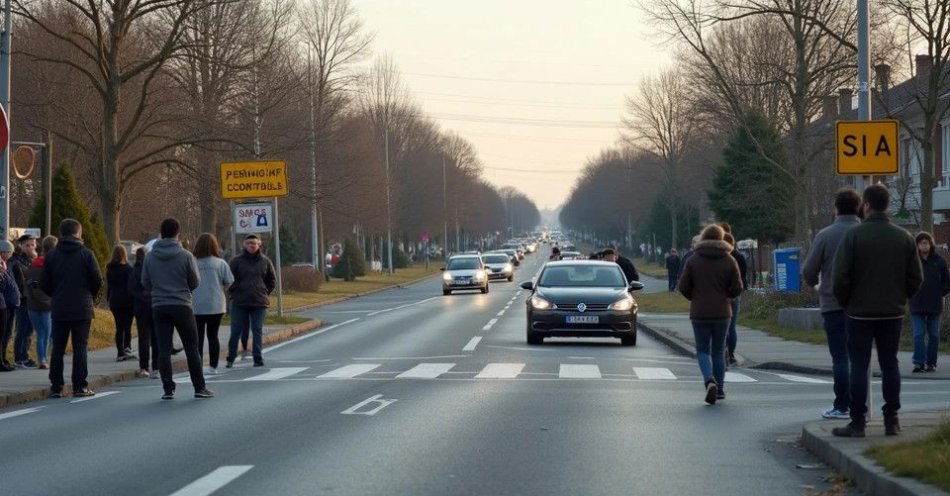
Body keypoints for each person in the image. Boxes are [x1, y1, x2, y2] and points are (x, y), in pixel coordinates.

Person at [831, 184, 922, 437]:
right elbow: (916, 277)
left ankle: (857, 421)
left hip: (858, 312)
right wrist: (901, 298)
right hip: (892, 312)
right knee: (889, 364)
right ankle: (891, 419)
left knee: (859, 365)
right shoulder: (903, 237)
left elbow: (840, 277)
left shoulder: (854, 236)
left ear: (866, 206)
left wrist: (846, 302)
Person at [801, 188, 863, 420]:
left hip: (833, 303)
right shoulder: (864, 232)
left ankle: (842, 405)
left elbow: (809, 270)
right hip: (864, 306)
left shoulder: (825, 235)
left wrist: (815, 285)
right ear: (859, 207)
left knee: (840, 358)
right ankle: (861, 405)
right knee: (860, 358)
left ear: (836, 208)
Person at [143, 218, 213, 400]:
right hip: (182, 304)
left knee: (163, 349)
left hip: (159, 306)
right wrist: (184, 290)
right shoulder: (186, 255)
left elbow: (145, 281)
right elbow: (195, 281)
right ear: (177, 234)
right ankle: (199, 387)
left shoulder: (150, 256)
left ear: (161, 232)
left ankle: (168, 388)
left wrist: (158, 291)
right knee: (191, 348)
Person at [677, 224, 743, 405]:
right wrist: (727, 296)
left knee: (703, 350)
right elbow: (738, 287)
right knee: (719, 350)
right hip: (723, 312)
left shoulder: (693, 260)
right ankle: (720, 389)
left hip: (699, 312)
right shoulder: (729, 260)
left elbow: (683, 286)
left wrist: (694, 297)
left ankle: (709, 380)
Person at [41, 219, 102, 398]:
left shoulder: (52, 256)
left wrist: (55, 294)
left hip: (60, 306)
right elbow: (97, 280)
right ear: (78, 233)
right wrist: (90, 294)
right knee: (80, 347)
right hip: (82, 306)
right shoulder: (86, 254)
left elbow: (44, 283)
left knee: (58, 348)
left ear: (61, 233)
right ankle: (80, 386)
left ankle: (56, 386)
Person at [227, 234, 276, 368]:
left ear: (259, 244)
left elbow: (272, 280)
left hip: (259, 302)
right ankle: (231, 357)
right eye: (248, 243)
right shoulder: (236, 261)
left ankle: (257, 358)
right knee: (236, 330)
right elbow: (229, 279)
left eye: (254, 243)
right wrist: (234, 291)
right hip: (239, 301)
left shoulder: (265, 261)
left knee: (257, 329)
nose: (251, 246)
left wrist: (265, 291)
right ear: (244, 245)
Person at [192, 233, 233, 375]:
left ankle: (197, 365)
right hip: (216, 303)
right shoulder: (220, 263)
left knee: (198, 337)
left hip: (196, 304)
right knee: (213, 336)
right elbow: (228, 281)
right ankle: (213, 366)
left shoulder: (193, 262)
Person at [909, 232, 948, 373]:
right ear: (917, 245)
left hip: (935, 304)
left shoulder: (939, 261)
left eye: (926, 242)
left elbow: (947, 280)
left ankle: (931, 363)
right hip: (917, 303)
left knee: (934, 335)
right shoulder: (912, 260)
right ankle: (919, 362)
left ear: (931, 244)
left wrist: (941, 292)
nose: (923, 245)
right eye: (921, 243)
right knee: (918, 334)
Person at [25, 236, 57, 369]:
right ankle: (44, 359)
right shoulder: (53, 264)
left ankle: (41, 359)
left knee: (40, 334)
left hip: (33, 305)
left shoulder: (34, 263)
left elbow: (28, 284)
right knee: (48, 334)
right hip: (47, 304)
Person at [128, 246, 157, 378]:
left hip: (140, 307)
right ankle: (156, 366)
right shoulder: (153, 269)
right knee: (156, 337)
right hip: (154, 305)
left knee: (143, 338)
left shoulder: (134, 270)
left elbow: (131, 289)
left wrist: (141, 295)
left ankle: (144, 366)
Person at [11, 234, 38, 368]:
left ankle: (25, 355)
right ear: (21, 246)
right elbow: (20, 282)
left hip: (32, 300)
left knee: (29, 329)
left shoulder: (32, 261)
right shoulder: (17, 262)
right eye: (27, 245)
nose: (30, 247)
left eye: (32, 244)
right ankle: (19, 357)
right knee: (22, 329)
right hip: (23, 300)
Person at [107, 245, 136, 362]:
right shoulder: (128, 270)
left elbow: (109, 286)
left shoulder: (109, 269)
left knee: (119, 327)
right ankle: (127, 347)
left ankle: (120, 352)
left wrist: (108, 298)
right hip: (128, 301)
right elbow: (132, 286)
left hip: (115, 301)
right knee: (127, 326)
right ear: (124, 255)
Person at [722, 233, 748, 367]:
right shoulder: (739, 257)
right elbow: (743, 277)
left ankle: (724, 351)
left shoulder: (720, 258)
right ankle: (731, 354)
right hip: (735, 294)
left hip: (722, 296)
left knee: (723, 326)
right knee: (732, 326)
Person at [0, 241, 14, 370]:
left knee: (4, 333)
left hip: (4, 303)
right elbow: (5, 286)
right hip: (3, 303)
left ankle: (2, 360)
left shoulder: (4, 265)